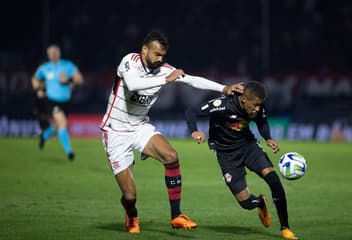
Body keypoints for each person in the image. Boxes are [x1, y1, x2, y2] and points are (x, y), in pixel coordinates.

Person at [99, 30, 244, 234]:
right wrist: (166, 80)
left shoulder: (164, 69)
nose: (160, 59)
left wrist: (224, 89)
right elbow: (133, 84)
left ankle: (176, 216)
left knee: (171, 156)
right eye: (157, 54)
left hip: (140, 126)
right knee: (130, 196)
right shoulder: (129, 62)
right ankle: (131, 214)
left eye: (163, 56)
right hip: (115, 131)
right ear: (144, 50)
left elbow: (193, 80)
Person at [185, 81, 298, 239]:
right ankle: (259, 203)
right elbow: (192, 111)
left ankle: (285, 228)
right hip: (226, 155)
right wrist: (194, 130)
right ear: (244, 99)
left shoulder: (256, 107)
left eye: (260, 105)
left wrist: (268, 138)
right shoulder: (223, 105)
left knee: (273, 179)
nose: (257, 109)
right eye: (255, 105)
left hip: (248, 147)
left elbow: (262, 121)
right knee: (246, 203)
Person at [31, 44, 84, 160]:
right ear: (48, 55)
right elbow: (35, 79)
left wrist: (69, 80)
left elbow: (79, 79)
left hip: (66, 102)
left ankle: (44, 135)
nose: (54, 54)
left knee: (58, 126)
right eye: (51, 52)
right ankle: (70, 152)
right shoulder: (44, 68)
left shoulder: (67, 65)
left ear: (59, 53)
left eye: (56, 52)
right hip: (51, 101)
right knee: (63, 123)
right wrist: (38, 89)